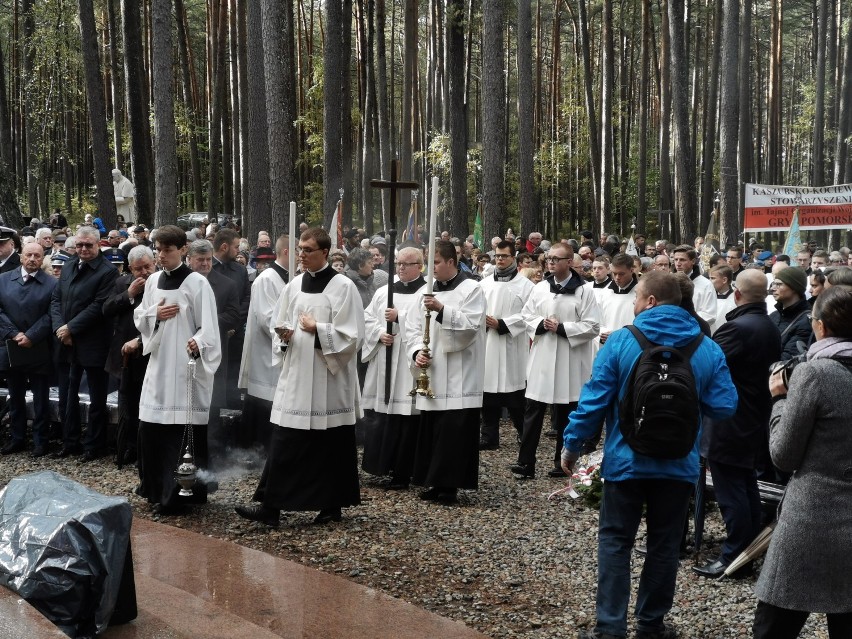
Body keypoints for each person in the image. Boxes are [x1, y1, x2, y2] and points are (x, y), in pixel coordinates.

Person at [561, 271, 737, 639]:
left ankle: (610, 628)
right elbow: (725, 406)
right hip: (678, 465)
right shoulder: (706, 347)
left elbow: (594, 400)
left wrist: (573, 444)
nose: (635, 303)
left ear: (652, 301)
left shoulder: (623, 340)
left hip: (626, 461)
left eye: (638, 296)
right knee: (664, 544)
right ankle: (650, 625)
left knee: (615, 540)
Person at [236, 227, 363, 526]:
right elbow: (278, 323)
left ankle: (331, 506)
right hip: (297, 374)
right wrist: (285, 334)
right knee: (285, 439)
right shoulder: (292, 286)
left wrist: (317, 329)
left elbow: (353, 336)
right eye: (300, 249)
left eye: (307, 250)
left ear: (325, 253)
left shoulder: (343, 287)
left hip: (328, 380)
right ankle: (270, 507)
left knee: (330, 443)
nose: (302, 254)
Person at [754, 285, 852, 638]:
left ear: (821, 327)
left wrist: (779, 400)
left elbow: (783, 455)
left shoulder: (816, 373)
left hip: (811, 516)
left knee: (776, 625)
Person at [694, 269, 782, 579]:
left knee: (732, 490)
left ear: (737, 293)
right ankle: (744, 552)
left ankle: (733, 556)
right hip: (753, 417)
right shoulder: (768, 325)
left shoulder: (736, 329)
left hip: (730, 421)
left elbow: (708, 368)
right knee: (745, 486)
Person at [134, 225, 221, 515]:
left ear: (183, 250)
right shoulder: (153, 280)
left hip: (185, 366)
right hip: (159, 365)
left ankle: (179, 495)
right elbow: (141, 317)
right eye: (158, 250)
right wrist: (153, 315)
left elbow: (209, 328)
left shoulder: (197, 283)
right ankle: (154, 488)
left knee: (178, 433)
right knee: (151, 428)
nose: (161, 256)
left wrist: (198, 341)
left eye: (167, 250)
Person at [406, 240, 486, 504]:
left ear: (451, 262)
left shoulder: (472, 288)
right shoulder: (425, 292)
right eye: (429, 263)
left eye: (436, 262)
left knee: (454, 430)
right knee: (432, 429)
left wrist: (441, 309)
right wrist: (418, 351)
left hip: (460, 374)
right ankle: (432, 480)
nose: (432, 269)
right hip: (434, 371)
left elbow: (471, 327)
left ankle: (450, 485)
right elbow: (413, 328)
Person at [513, 242, 600, 479]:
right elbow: (526, 315)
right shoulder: (540, 287)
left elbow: (593, 326)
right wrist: (541, 324)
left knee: (565, 413)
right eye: (549, 258)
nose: (550, 262)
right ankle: (525, 462)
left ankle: (560, 463)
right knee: (533, 411)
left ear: (569, 262)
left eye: (556, 259)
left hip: (569, 360)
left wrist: (562, 328)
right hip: (543, 356)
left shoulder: (584, 291)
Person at [50, 227, 119, 460]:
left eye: (88, 245)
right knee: (67, 395)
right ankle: (70, 441)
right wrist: (60, 328)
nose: (83, 249)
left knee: (96, 397)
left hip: (93, 342)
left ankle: (94, 444)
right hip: (66, 341)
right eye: (79, 245)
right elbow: (57, 299)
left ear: (98, 245)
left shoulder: (108, 272)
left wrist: (70, 328)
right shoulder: (69, 265)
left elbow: (99, 306)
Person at [361, 246, 425, 487]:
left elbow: (425, 326)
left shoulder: (426, 292)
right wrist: (379, 333)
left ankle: (403, 471)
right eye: (398, 263)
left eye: (406, 264)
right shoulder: (384, 291)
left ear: (419, 265)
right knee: (381, 416)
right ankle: (380, 465)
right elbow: (367, 318)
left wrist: (400, 318)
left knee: (407, 417)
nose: (400, 268)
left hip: (408, 364)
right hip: (385, 359)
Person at [186, 240, 241, 466]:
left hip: (215, 351)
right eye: (200, 260)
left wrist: (206, 324)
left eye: (208, 259)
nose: (205, 264)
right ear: (189, 260)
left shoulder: (227, 285)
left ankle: (213, 455)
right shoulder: (182, 283)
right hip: (185, 350)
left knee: (214, 403)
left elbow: (234, 316)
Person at [0, 243, 57, 457]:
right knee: (15, 396)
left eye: (37, 255)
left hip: (38, 347)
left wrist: (31, 335)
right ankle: (17, 438)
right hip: (10, 345)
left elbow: (51, 314)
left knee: (40, 397)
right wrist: (14, 334)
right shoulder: (3, 280)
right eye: (29, 255)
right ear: (21, 256)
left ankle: (41, 441)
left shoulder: (51, 284)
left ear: (43, 259)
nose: (32, 259)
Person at [102, 245, 156, 468]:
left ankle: (147, 449)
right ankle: (128, 447)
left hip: (151, 353)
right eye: (138, 269)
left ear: (154, 263)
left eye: (147, 267)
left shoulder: (163, 283)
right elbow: (106, 309)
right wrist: (129, 295)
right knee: (128, 405)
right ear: (130, 270)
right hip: (125, 356)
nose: (143, 272)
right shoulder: (120, 283)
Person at [478, 241, 535, 450]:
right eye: (497, 256)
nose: (500, 259)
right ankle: (489, 436)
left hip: (512, 344)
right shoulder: (483, 284)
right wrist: (483, 321)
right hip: (488, 344)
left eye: (504, 256)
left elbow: (531, 314)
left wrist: (502, 323)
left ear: (513, 258)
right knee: (488, 393)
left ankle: (524, 433)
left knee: (515, 396)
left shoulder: (526, 286)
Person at [237, 234, 290, 452]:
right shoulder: (268, 278)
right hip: (267, 351)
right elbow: (266, 317)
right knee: (263, 400)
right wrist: (290, 335)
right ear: (286, 252)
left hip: (282, 349)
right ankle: (256, 449)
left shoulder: (290, 277)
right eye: (298, 250)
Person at [768, 265, 812, 360]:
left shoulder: (806, 321)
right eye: (773, 284)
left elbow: (788, 359)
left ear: (794, 287)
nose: (773, 288)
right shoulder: (774, 315)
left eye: (779, 284)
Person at [671, 244, 717, 328]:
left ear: (693, 261)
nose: (678, 263)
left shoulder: (706, 284)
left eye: (682, 260)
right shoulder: (668, 281)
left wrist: (684, 322)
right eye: (676, 259)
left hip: (695, 330)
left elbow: (709, 314)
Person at [709, 264, 737, 334]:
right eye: (709, 278)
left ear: (724, 280)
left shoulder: (736, 300)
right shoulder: (708, 296)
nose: (709, 282)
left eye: (713, 278)